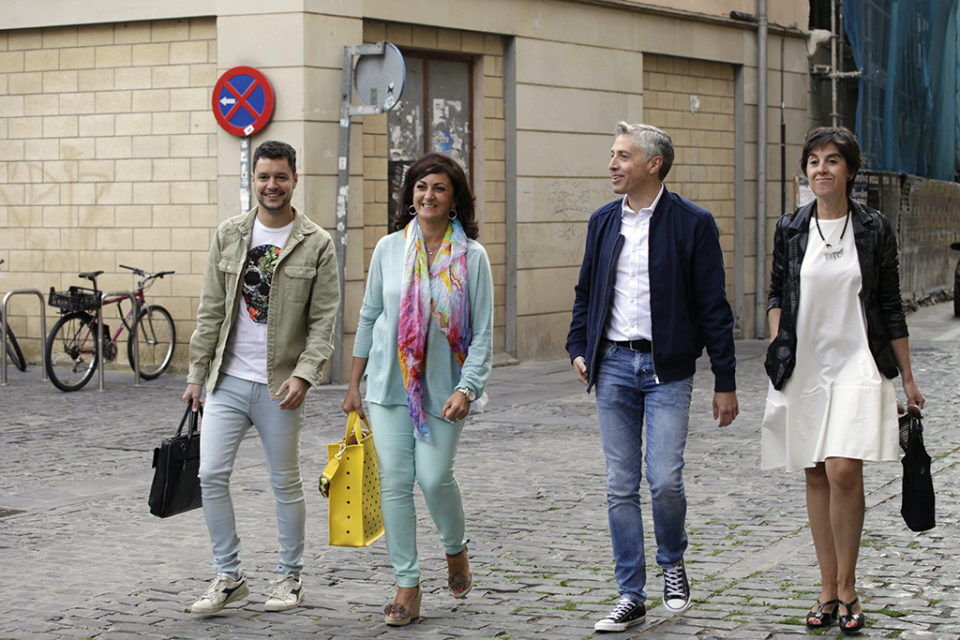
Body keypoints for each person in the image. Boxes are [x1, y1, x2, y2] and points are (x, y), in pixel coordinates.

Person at [566, 122, 739, 632]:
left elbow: (714, 307)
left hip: (668, 370)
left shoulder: (693, 223)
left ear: (653, 164)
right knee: (621, 485)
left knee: (663, 480)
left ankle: (673, 561)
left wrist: (725, 380)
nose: (613, 164)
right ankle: (629, 594)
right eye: (612, 155)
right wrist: (579, 346)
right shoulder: (602, 221)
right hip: (614, 366)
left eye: (623, 156)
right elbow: (584, 293)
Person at [761, 126, 925, 635]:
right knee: (814, 472)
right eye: (813, 161)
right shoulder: (790, 227)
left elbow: (891, 305)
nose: (822, 169)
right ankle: (827, 588)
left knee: (842, 471)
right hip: (804, 363)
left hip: (859, 361)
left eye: (833, 161)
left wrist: (909, 380)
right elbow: (775, 295)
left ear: (849, 171)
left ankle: (850, 586)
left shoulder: (874, 228)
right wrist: (776, 343)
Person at [182, 140, 340, 614]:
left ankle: (289, 577)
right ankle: (228, 576)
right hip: (227, 381)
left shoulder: (316, 243)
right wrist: (196, 374)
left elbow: (323, 321)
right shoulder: (230, 234)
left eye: (281, 177)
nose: (272, 185)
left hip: (280, 385)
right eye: (263, 176)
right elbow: (211, 310)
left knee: (284, 483)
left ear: (295, 179)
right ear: (253, 180)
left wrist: (306, 375)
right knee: (210, 473)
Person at [341, 152, 493, 626]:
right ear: (410, 195)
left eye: (439, 188)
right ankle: (407, 584)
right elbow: (369, 317)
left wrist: (468, 389)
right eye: (421, 186)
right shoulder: (388, 248)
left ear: (454, 200)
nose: (428, 195)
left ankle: (455, 549)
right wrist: (353, 384)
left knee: (433, 477)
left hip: (447, 387)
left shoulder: (471, 256)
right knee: (394, 482)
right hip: (388, 384)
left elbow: (484, 331)